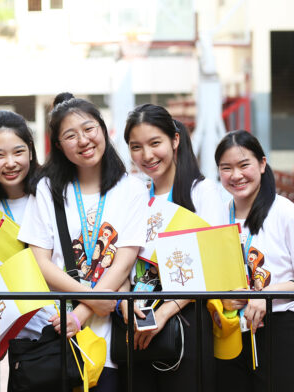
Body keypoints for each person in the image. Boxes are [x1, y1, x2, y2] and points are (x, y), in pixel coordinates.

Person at [17, 93, 147, 391]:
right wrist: (90, 302)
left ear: (103, 129)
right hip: (56, 330)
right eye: (70, 135)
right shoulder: (48, 189)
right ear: (59, 146)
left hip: (107, 337)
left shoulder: (132, 189)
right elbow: (40, 261)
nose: (83, 140)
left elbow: (125, 259)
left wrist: (82, 312)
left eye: (89, 129)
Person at [119, 103, 219, 391]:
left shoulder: (202, 192)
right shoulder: (134, 194)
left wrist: (165, 313)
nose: (147, 155)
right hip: (139, 318)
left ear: (175, 140)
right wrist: (127, 303)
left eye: (155, 143)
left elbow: (212, 265)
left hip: (186, 321)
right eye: (136, 147)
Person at [0, 110, 55, 387]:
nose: (10, 163)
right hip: (20, 338)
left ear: (32, 152)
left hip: (66, 325)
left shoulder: (51, 194)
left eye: (18, 152)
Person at [214, 130, 294, 392]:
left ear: (262, 164)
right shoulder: (219, 216)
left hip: (279, 327)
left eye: (243, 165)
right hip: (231, 330)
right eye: (226, 168)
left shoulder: (284, 211)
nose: (235, 175)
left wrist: (265, 294)